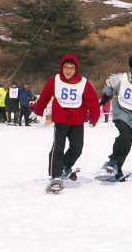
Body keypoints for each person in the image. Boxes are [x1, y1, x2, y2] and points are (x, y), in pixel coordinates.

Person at [34, 55, 100, 191]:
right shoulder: (55, 80)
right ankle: (55, 175)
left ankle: (64, 166)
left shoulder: (83, 82)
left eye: (71, 68)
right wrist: (39, 109)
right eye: (66, 68)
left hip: (77, 120)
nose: (68, 71)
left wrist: (94, 117)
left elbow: (92, 101)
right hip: (61, 119)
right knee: (58, 147)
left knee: (77, 148)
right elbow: (45, 95)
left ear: (76, 69)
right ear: (61, 68)